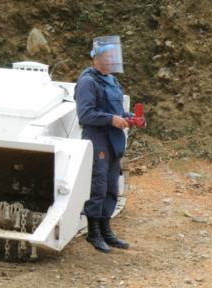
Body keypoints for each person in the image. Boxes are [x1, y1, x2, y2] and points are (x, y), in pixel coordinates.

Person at [74, 35, 131, 253]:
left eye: (113, 55)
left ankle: (106, 229)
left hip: (114, 140)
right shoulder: (88, 81)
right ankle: (93, 232)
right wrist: (111, 119)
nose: (112, 59)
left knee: (111, 185)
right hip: (97, 139)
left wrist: (128, 117)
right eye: (108, 55)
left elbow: (116, 111)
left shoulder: (112, 80)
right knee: (97, 185)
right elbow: (86, 114)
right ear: (96, 57)